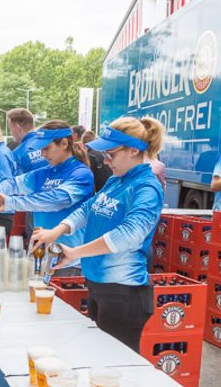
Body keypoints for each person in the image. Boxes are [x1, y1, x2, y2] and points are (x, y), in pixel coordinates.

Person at [32, 116, 165, 353]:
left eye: (111, 154)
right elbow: (88, 208)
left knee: (115, 370)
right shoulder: (117, 180)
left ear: (134, 150)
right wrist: (57, 231)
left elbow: (129, 234)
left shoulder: (146, 187)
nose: (106, 160)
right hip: (100, 287)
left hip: (124, 294)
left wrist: (74, 253)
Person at [0, 121, 95, 275]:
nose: (43, 154)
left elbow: (54, 201)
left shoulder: (81, 174)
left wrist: (9, 202)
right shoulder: (44, 172)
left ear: (63, 144)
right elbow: (13, 183)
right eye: (41, 149)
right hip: (40, 254)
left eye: (46, 148)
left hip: (67, 261)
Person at [8, 108, 48, 174]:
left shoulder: (18, 154)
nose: (11, 133)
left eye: (10, 128)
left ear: (17, 128)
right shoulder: (50, 141)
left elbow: (17, 181)